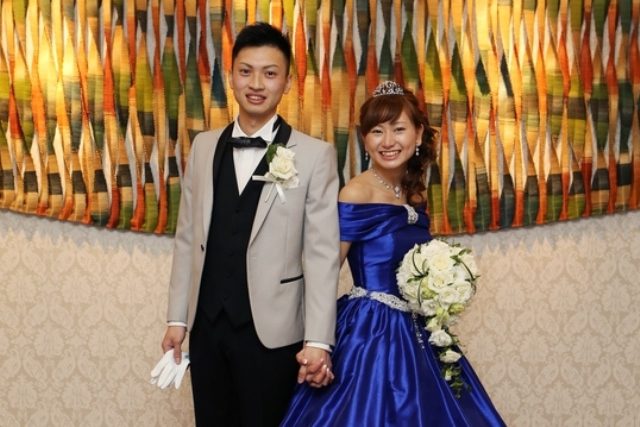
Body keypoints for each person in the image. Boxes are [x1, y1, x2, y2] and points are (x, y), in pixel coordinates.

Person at [280, 81, 505, 426]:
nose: (387, 141)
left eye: (398, 129)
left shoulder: (414, 193)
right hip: (370, 331)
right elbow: (324, 270)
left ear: (418, 134)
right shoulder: (357, 192)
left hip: (416, 328)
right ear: (364, 139)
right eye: (377, 131)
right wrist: (316, 342)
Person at [160, 22, 340, 426]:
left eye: (270, 73)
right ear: (231, 77)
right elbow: (187, 237)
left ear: (287, 82)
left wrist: (318, 340)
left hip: (273, 332)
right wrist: (177, 319)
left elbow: (322, 255)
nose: (256, 84)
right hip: (207, 328)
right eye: (246, 71)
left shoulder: (314, 155)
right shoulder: (204, 146)